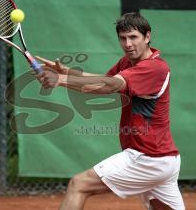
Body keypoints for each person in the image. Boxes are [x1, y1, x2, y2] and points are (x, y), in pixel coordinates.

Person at [36, 12, 185, 210]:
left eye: (133, 37)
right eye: (123, 38)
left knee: (78, 185)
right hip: (164, 159)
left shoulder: (154, 68)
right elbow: (102, 80)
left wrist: (61, 81)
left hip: (147, 158)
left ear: (147, 37)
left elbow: (108, 86)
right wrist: (67, 72)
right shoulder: (129, 62)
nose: (128, 44)